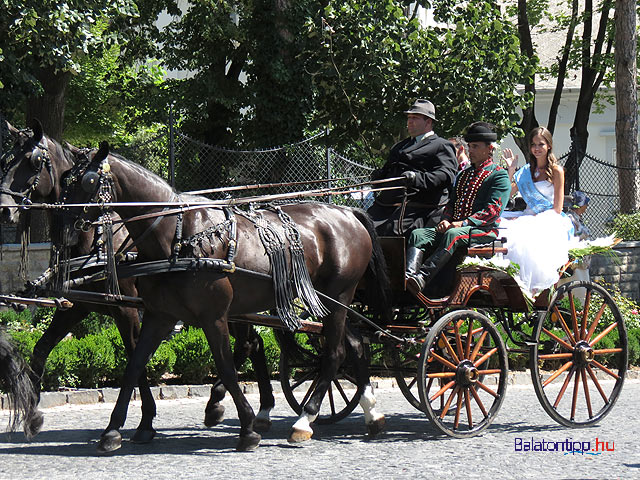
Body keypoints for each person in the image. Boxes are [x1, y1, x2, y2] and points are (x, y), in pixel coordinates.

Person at [405, 122, 511, 294]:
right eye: (469, 146)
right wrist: (446, 220)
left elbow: (492, 211)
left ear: (489, 148)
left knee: (453, 235)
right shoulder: (463, 175)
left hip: (483, 231)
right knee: (418, 234)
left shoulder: (499, 175)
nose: (471, 150)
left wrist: (461, 224)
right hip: (455, 228)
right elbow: (451, 204)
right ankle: (409, 277)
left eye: (475, 146)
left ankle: (423, 277)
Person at [501, 126, 575, 296]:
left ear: (549, 145)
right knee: (500, 225)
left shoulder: (557, 171)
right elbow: (506, 195)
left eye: (540, 144)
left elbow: (557, 208)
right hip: (527, 217)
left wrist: (532, 218)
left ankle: (532, 286)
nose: (536, 148)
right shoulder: (525, 172)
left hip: (550, 219)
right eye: (533, 144)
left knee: (524, 233)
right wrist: (511, 171)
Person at [367, 99, 458, 237]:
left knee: (388, 230)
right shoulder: (399, 146)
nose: (409, 121)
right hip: (386, 204)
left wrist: (417, 178)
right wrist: (379, 177)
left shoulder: (441, 145)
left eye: (415, 118)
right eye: (409, 118)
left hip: (417, 206)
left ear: (428, 122)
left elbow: (446, 175)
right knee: (360, 225)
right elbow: (388, 170)